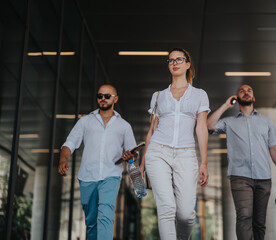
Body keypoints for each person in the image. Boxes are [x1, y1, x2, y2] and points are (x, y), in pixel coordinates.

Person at [139, 48, 210, 240]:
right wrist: (143, 162)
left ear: (188, 64)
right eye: (170, 60)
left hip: (186, 154)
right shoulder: (158, 96)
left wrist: (203, 162)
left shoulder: (199, 94)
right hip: (157, 152)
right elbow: (152, 130)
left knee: (186, 214)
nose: (174, 63)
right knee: (166, 208)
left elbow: (201, 128)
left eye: (179, 59)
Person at [207, 84, 276, 240]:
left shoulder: (266, 122)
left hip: (263, 178)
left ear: (253, 98)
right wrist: (226, 105)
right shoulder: (229, 122)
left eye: (249, 91)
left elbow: (274, 149)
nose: (246, 92)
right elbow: (209, 125)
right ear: (237, 99)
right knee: (244, 215)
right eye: (241, 91)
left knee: (259, 223)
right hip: (240, 177)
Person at [57, 84, 137, 240]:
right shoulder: (85, 121)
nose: (103, 99)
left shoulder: (124, 126)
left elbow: (133, 151)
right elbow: (70, 142)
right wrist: (62, 159)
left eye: (107, 96)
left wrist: (130, 155)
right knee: (92, 222)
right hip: (87, 177)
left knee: (105, 215)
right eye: (100, 96)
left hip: (111, 175)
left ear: (115, 99)